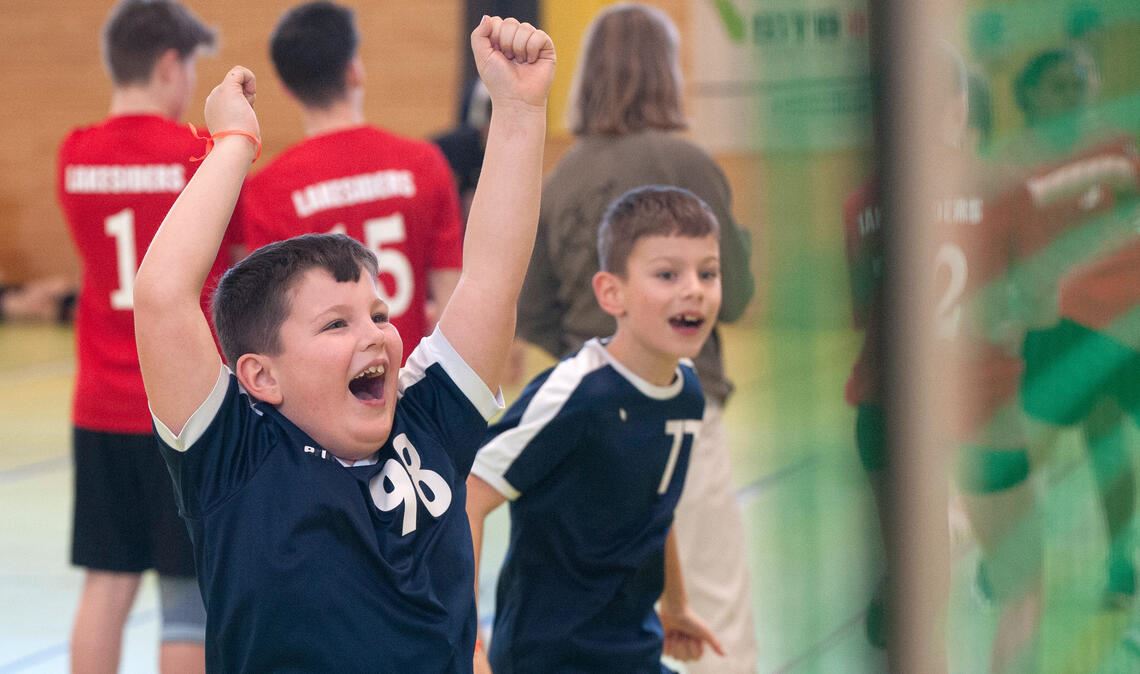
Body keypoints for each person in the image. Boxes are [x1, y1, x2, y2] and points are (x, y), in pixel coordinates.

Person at [133, 16, 554, 672]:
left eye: (379, 313)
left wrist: (520, 110)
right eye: (337, 324)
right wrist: (234, 143)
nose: (378, 334)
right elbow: (161, 297)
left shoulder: (428, 421)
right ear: (261, 376)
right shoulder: (233, 457)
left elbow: (493, 277)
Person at [515, 6, 757, 670]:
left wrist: (587, 347)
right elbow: (733, 297)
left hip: (587, 424)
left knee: (606, 615)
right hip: (683, 414)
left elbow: (532, 308)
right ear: (666, 76)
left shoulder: (562, 177)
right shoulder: (687, 162)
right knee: (713, 614)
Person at [467, 185, 726, 673]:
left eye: (707, 273)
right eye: (668, 274)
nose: (694, 288)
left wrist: (675, 605)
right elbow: (468, 494)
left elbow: (657, 502)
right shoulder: (576, 394)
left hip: (632, 648)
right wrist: (469, 645)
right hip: (550, 658)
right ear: (612, 293)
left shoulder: (685, 392)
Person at [55, 2, 224, 671]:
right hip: (175, 404)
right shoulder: (193, 155)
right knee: (186, 595)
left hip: (99, 403)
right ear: (167, 66)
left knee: (106, 584)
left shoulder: (75, 154)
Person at [232, 1, 464, 361]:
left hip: (331, 392)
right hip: (413, 378)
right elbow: (451, 295)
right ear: (354, 70)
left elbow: (273, 322)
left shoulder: (269, 189)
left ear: (287, 88)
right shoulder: (423, 163)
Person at [1008, 47, 1140, 608]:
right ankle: (1005, 559)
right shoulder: (1017, 168)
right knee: (1029, 453)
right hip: (1061, 328)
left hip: (1127, 326)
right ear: (1032, 97)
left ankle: (1119, 562)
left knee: (1108, 444)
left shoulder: (1115, 149)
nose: (1075, 96)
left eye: (1082, 83)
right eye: (1061, 86)